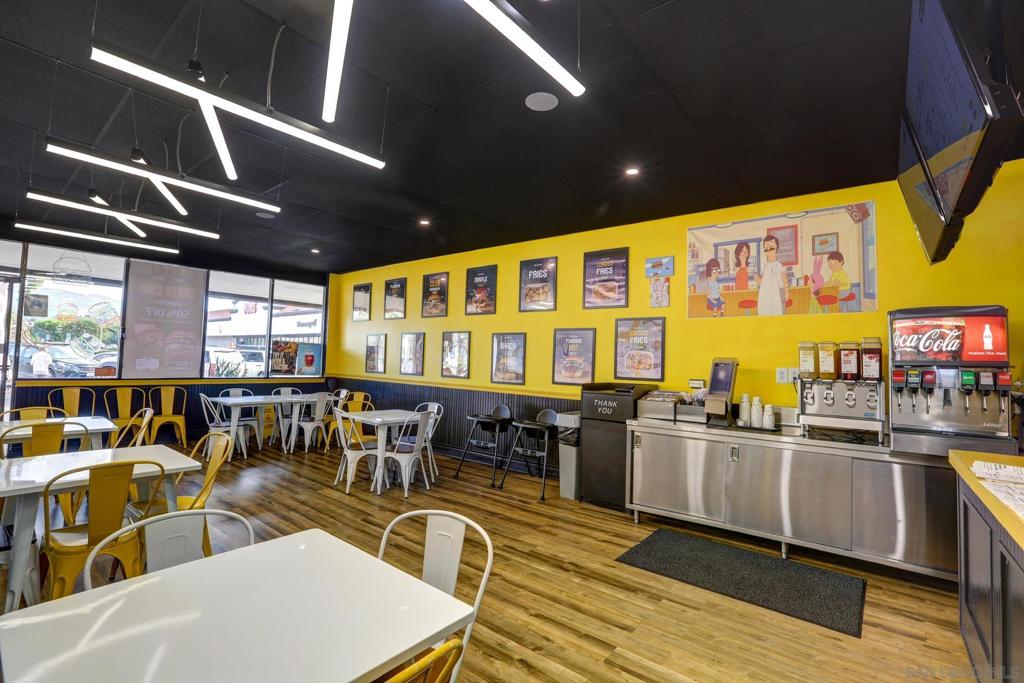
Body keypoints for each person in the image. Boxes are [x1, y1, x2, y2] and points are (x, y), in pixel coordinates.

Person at [757, 234, 787, 316]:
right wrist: (757, 279)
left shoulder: (779, 266)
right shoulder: (765, 267)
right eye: (766, 247)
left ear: (776, 248)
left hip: (779, 292)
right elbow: (761, 282)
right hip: (767, 293)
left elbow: (784, 280)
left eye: (771, 247)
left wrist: (786, 292)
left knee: (780, 312)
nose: (769, 250)